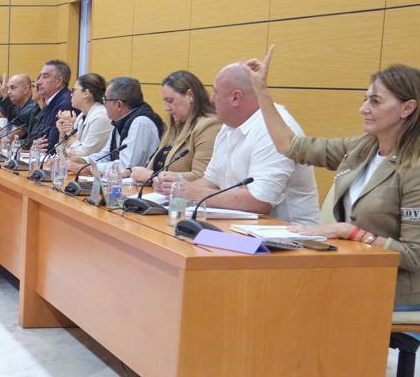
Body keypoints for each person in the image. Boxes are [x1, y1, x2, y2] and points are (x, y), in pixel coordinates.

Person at [245, 47, 420, 303]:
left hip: (391, 290)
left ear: (407, 108)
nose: (363, 109)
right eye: (365, 99)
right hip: (352, 274)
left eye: (375, 101)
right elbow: (290, 146)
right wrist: (261, 91)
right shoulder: (362, 148)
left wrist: (350, 231)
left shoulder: (414, 168)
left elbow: (414, 255)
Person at [155, 62, 320, 223]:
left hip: (292, 239)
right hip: (242, 228)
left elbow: (259, 201)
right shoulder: (228, 126)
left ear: (235, 97)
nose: (211, 99)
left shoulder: (273, 128)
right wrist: (174, 189)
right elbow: (211, 182)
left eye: (216, 92)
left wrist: (194, 193)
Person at [130, 70, 219, 185]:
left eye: (170, 101)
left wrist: (153, 176)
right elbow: (155, 166)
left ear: (190, 95)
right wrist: (130, 172)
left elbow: (202, 176)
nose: (167, 108)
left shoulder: (209, 125)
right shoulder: (176, 126)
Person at [74, 77, 163, 178]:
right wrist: (84, 160)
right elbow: (107, 154)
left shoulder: (140, 123)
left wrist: (89, 168)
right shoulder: (120, 119)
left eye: (105, 100)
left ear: (119, 105)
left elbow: (126, 166)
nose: (104, 104)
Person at [33, 72, 108, 159]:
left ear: (86, 93)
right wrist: (62, 134)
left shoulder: (100, 117)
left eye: (74, 90)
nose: (71, 94)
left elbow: (82, 155)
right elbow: (61, 154)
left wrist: (69, 131)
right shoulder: (81, 117)